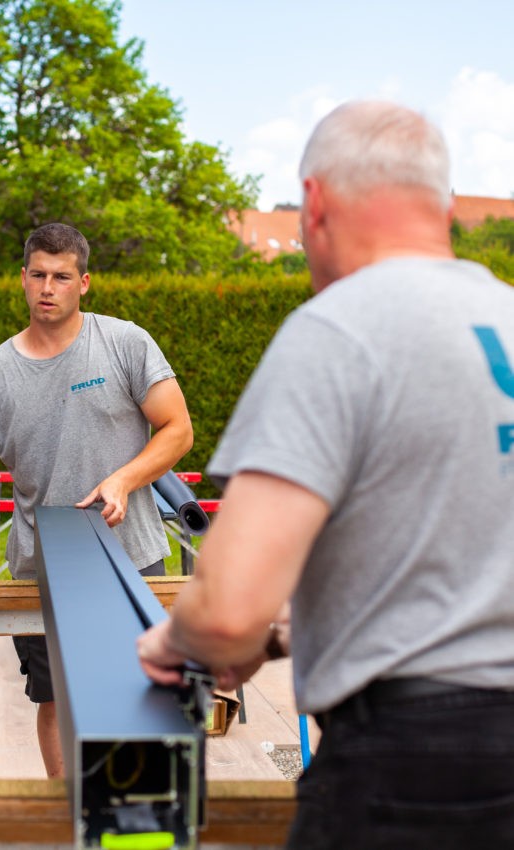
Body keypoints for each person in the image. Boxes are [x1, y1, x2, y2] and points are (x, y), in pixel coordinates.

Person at [137, 99, 514, 848]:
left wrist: (177, 641)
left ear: (313, 203)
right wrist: (283, 637)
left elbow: (228, 609)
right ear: (443, 204)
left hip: (413, 770)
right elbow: (438, 567)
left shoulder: (339, 330)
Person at [0, 222, 193, 777]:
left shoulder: (125, 342)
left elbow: (178, 429)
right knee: (56, 700)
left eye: (61, 277)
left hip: (131, 559)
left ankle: (135, 811)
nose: (47, 288)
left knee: (142, 694)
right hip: (41, 570)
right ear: (22, 279)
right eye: (38, 275)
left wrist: (124, 479)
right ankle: (65, 812)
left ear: (84, 282)